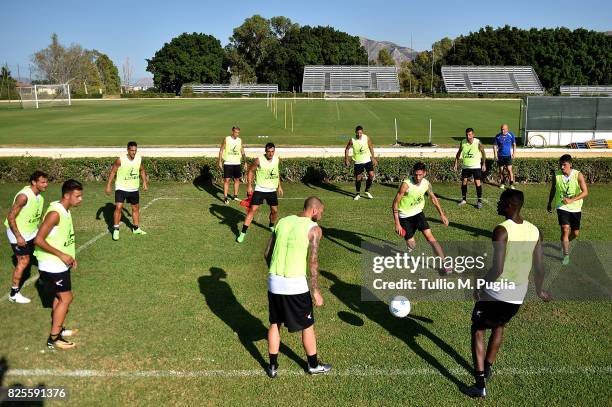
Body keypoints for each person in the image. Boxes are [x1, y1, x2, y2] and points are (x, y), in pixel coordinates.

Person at [463, 189, 551, 398]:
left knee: (478, 329)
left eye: (501, 201)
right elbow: (539, 267)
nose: (497, 204)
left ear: (510, 205)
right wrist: (539, 291)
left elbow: (498, 268)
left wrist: (481, 288)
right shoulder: (534, 231)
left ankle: (479, 384)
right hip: (517, 295)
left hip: (496, 293)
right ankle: (489, 366)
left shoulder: (502, 230)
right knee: (499, 325)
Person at [263, 196, 331, 377]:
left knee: (275, 323)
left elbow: (266, 253)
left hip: (274, 281)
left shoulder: (282, 222)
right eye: (321, 212)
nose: (321, 216)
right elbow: (313, 263)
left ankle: (272, 366)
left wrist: (274, 276)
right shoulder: (314, 229)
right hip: (295, 285)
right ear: (315, 210)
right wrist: (315, 290)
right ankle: (313, 365)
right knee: (307, 325)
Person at [34, 179, 84, 350]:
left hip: (60, 263)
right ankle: (53, 338)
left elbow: (63, 239)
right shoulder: (55, 213)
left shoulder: (65, 209)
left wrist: (69, 256)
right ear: (67, 195)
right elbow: (38, 240)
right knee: (66, 298)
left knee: (59, 297)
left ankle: (59, 329)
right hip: (52, 264)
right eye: (77, 196)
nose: (80, 199)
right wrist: (62, 255)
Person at [392, 162, 452, 274]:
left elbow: (433, 199)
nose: (418, 177)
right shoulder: (406, 185)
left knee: (430, 237)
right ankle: (408, 248)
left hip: (418, 213)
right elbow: (395, 203)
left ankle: (445, 263)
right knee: (412, 245)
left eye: (420, 175)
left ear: (424, 173)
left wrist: (442, 215)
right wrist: (397, 223)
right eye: (416, 174)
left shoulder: (426, 183)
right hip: (404, 216)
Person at [4, 171, 48, 303]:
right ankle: (14, 294)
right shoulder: (24, 196)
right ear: (34, 182)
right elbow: (10, 216)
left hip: (32, 231)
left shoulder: (40, 197)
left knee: (42, 252)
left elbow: (36, 215)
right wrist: (18, 237)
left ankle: (43, 279)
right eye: (43, 182)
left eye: (46, 181)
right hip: (18, 233)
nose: (46, 184)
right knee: (24, 261)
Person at [236, 143, 283, 243]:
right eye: (269, 151)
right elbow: (250, 171)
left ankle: (271, 225)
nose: (270, 154)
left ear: (274, 151)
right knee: (252, 209)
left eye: (272, 151)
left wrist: (280, 186)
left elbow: (276, 172)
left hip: (272, 190)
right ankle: (242, 233)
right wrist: (249, 186)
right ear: (265, 151)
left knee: (274, 211)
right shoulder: (259, 160)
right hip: (260, 189)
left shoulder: (276, 160)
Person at [547, 154, 588, 265]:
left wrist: (572, 200)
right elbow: (553, 189)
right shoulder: (556, 175)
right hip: (562, 206)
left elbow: (585, 192)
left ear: (570, 165)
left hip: (576, 208)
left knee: (575, 233)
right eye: (560, 165)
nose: (562, 167)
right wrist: (549, 203)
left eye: (564, 165)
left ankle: (565, 243)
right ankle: (566, 255)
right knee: (565, 229)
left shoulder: (578, 175)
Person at [104, 141, 149, 240]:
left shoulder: (138, 159)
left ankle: (136, 228)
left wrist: (144, 182)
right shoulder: (120, 160)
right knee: (119, 207)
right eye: (132, 150)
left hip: (134, 188)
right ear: (127, 150)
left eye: (135, 150)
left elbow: (142, 170)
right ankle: (116, 230)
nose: (134, 152)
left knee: (135, 208)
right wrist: (108, 185)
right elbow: (112, 172)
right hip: (121, 188)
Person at [454, 128, 487, 209]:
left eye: (470, 134)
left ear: (473, 134)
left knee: (477, 182)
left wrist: (483, 164)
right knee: (464, 182)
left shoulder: (478, 142)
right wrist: (456, 163)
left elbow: (483, 153)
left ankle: (479, 202)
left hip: (476, 166)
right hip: (466, 166)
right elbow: (458, 153)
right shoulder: (463, 142)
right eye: (467, 134)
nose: (468, 136)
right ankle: (464, 200)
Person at [345, 125, 377, 200]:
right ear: (355, 132)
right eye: (358, 133)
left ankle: (367, 190)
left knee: (371, 175)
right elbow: (347, 149)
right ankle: (357, 194)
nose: (359, 134)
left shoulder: (367, 138)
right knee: (358, 178)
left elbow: (371, 147)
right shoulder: (352, 140)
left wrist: (373, 158)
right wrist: (346, 159)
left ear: (362, 132)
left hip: (367, 160)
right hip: (358, 162)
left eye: (360, 133)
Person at [218, 126, 247, 205]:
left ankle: (235, 196)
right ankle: (225, 197)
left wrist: (245, 162)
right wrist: (220, 161)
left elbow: (242, 151)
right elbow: (221, 150)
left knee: (237, 179)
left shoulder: (239, 140)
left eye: (238, 133)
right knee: (227, 180)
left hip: (237, 163)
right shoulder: (226, 139)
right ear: (232, 131)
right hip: (228, 163)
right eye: (236, 132)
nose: (237, 134)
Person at [493, 124, 516, 189]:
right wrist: (495, 155)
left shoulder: (511, 135)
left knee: (509, 170)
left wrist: (514, 153)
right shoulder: (498, 136)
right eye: (502, 129)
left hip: (508, 156)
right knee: (501, 170)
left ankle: (511, 184)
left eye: (504, 129)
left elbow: (514, 144)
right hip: (500, 156)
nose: (503, 131)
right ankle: (502, 183)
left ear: (507, 129)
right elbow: (494, 146)